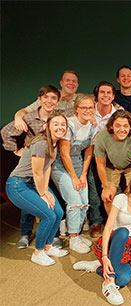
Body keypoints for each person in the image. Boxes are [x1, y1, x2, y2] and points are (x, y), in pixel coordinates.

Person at [1, 85, 67, 249]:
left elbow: (45, 169)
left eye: (53, 98)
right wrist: (17, 150)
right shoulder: (29, 118)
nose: (49, 101)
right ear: (39, 99)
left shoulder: (58, 124)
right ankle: (26, 233)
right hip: (30, 169)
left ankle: (50, 240)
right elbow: (5, 132)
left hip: (43, 168)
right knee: (33, 205)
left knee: (52, 207)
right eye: (46, 97)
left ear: (58, 101)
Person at [73, 173, 131, 305]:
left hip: (129, 247)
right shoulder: (121, 198)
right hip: (114, 240)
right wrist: (104, 255)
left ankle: (97, 267)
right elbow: (108, 227)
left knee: (123, 280)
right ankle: (108, 283)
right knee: (123, 232)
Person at [5, 113, 69, 266]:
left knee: (58, 212)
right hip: (18, 184)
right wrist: (43, 194)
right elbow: (37, 172)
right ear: (47, 126)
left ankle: (48, 247)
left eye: (63, 124)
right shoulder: (41, 142)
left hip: (34, 183)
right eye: (56, 124)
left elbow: (46, 169)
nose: (60, 127)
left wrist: (46, 190)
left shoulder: (54, 143)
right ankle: (38, 252)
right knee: (48, 215)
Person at [51, 94, 97, 254]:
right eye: (84, 107)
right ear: (76, 109)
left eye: (90, 107)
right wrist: (73, 177)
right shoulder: (69, 125)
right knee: (74, 201)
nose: (88, 110)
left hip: (78, 164)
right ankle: (73, 238)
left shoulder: (92, 126)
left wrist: (83, 174)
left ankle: (76, 234)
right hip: (61, 165)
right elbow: (64, 154)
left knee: (84, 202)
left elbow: (89, 152)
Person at [94, 110, 131, 214]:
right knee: (108, 196)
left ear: (130, 127)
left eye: (125, 126)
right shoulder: (102, 137)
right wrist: (106, 186)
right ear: (111, 126)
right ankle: (113, 225)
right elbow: (100, 164)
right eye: (118, 126)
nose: (122, 130)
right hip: (112, 166)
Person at [87, 81, 119, 238]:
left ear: (113, 96)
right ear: (97, 95)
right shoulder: (89, 111)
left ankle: (113, 222)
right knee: (94, 191)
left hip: (113, 158)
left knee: (113, 191)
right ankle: (96, 222)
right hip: (91, 155)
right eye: (102, 92)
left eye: (109, 93)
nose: (105, 95)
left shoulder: (118, 114)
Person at [14, 70, 79, 132]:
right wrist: (18, 118)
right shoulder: (48, 99)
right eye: (67, 80)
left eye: (74, 81)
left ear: (77, 85)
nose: (71, 83)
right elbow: (25, 111)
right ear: (61, 83)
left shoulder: (80, 100)